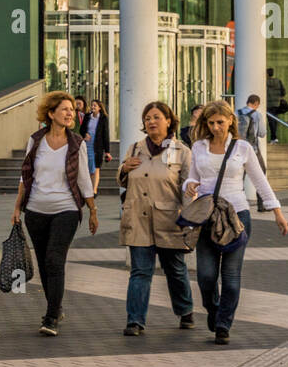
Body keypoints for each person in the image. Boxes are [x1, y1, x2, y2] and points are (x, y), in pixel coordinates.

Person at [183, 99, 288, 344]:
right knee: (206, 276)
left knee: (230, 275)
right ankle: (214, 310)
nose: (216, 127)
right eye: (211, 123)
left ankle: (223, 324)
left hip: (237, 215)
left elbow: (260, 180)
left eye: (220, 122)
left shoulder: (243, 148)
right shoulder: (199, 147)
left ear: (231, 120)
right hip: (207, 215)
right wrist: (189, 186)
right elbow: (191, 177)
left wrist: (277, 211)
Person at [11, 91, 98, 335]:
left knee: (54, 260)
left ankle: (50, 318)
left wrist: (92, 210)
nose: (70, 113)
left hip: (66, 209)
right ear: (50, 114)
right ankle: (56, 306)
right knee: (43, 263)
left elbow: (83, 179)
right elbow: (25, 176)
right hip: (36, 210)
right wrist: (17, 207)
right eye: (64, 109)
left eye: (72, 109)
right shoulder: (36, 140)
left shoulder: (77, 143)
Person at [118, 101, 194, 336]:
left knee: (176, 269)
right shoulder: (134, 149)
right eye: (147, 118)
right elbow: (122, 181)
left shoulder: (181, 151)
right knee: (140, 270)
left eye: (156, 117)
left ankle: (185, 310)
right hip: (138, 218)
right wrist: (123, 170)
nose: (151, 122)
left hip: (170, 220)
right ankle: (135, 321)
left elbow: (188, 187)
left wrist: (190, 219)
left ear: (169, 121)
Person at [236, 94, 267, 212]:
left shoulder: (236, 113)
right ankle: (261, 204)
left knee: (239, 177)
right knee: (260, 174)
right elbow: (262, 133)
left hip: (238, 150)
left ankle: (240, 204)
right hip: (252, 150)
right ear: (256, 104)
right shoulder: (257, 115)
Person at [80, 98, 111, 195]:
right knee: (89, 168)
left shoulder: (103, 118)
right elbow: (81, 130)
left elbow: (105, 134)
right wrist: (85, 134)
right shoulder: (87, 116)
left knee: (96, 167)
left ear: (99, 108)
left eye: (95, 105)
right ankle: (89, 188)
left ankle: (94, 190)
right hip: (87, 144)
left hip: (97, 145)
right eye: (92, 105)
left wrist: (107, 151)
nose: (93, 107)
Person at [266, 68, 286, 142]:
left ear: (267, 74)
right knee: (275, 119)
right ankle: (274, 137)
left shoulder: (265, 82)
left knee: (271, 120)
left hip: (268, 104)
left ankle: (273, 137)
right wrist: (279, 97)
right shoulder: (278, 81)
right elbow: (283, 92)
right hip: (276, 104)